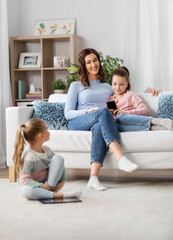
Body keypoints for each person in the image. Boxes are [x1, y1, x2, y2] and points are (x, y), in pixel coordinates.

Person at [64, 48, 138, 191]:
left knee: (100, 124)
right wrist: (88, 111)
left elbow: (126, 93)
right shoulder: (76, 86)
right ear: (84, 66)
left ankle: (93, 178)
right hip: (78, 122)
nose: (93, 64)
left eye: (95, 60)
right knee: (102, 111)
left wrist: (150, 90)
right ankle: (120, 157)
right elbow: (68, 114)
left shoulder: (108, 87)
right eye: (89, 62)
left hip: (99, 121)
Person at [13, 118, 81, 200]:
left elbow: (59, 164)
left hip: (49, 183)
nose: (49, 132)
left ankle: (49, 189)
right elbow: (24, 180)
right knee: (26, 191)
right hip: (36, 186)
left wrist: (62, 180)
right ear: (40, 136)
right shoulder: (29, 156)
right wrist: (42, 186)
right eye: (47, 129)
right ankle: (58, 195)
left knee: (58, 158)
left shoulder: (47, 150)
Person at [109, 66, 173, 131]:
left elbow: (145, 111)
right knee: (116, 125)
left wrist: (125, 112)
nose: (117, 87)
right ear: (111, 83)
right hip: (122, 125)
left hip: (134, 120)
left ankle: (157, 121)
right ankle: (154, 128)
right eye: (115, 84)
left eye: (121, 85)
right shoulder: (111, 99)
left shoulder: (131, 95)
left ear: (127, 84)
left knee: (120, 117)